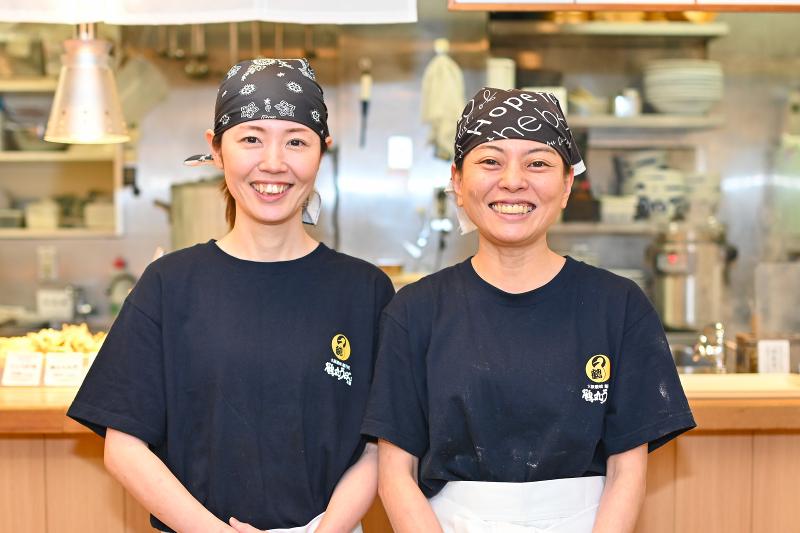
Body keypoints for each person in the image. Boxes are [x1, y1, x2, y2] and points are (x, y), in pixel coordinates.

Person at [68, 58, 394, 533]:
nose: (274, 163)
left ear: (322, 151)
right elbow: (124, 446)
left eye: (296, 141)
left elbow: (378, 447)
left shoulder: (365, 291)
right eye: (251, 139)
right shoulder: (169, 284)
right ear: (217, 150)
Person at [362, 88, 696, 532]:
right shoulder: (414, 311)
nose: (513, 181)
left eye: (537, 163)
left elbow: (627, 472)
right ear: (457, 182)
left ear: (567, 185)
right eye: (490, 161)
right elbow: (394, 473)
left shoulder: (618, 306)